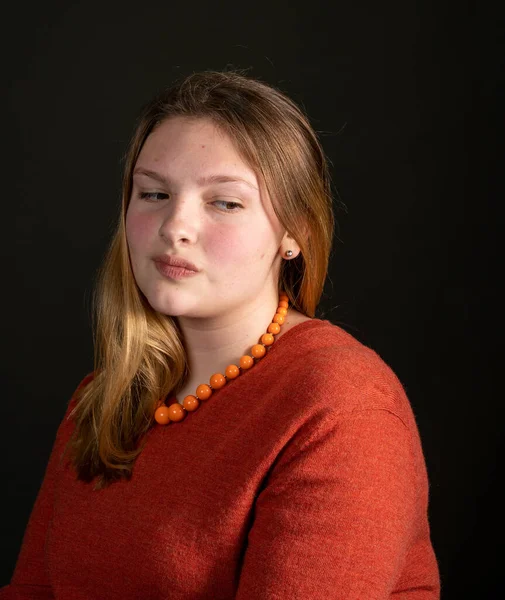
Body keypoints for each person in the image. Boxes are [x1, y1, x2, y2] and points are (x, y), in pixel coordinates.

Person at [1, 69, 440, 599]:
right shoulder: (105, 394)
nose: (174, 226)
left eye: (225, 202)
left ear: (294, 231)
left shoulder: (342, 404)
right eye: (154, 193)